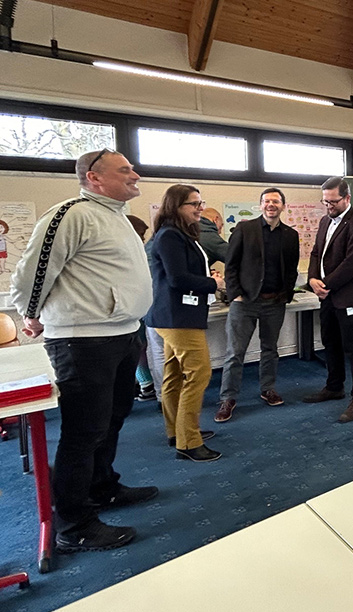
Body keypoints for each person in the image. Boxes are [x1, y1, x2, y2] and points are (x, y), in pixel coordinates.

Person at [11, 148, 157, 552]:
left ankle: (102, 487)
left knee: (111, 420)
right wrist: (31, 314)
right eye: (125, 169)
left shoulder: (116, 216)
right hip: (83, 339)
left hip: (123, 332)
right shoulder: (70, 214)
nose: (135, 175)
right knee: (83, 432)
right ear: (94, 178)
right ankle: (73, 524)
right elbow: (33, 272)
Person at [148, 184, 224, 462]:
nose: (200, 208)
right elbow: (178, 278)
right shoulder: (170, 235)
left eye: (200, 202)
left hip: (175, 316)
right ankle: (188, 442)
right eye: (193, 204)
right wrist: (213, 283)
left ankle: (176, 431)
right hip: (177, 318)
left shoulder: (179, 234)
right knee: (199, 374)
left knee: (174, 375)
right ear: (175, 207)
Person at [215, 188, 300, 423]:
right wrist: (236, 295)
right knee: (235, 352)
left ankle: (268, 389)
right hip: (245, 302)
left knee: (270, 349)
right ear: (260, 205)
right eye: (266, 201)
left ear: (283, 206)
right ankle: (228, 398)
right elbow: (230, 265)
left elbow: (291, 268)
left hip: (275, 301)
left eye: (276, 201)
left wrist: (286, 294)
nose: (271, 204)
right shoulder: (244, 229)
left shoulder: (290, 235)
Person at [304, 177, 353, 423]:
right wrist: (313, 279)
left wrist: (326, 284)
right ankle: (334, 387)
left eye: (333, 202)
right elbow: (316, 253)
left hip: (351, 297)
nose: (329, 206)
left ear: (347, 198)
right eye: (325, 201)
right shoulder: (324, 221)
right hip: (328, 296)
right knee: (330, 341)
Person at [126, 214, 157, 402]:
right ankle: (145, 385)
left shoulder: (139, 253)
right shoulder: (129, 254)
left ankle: (144, 384)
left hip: (139, 307)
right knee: (138, 347)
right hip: (131, 309)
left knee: (140, 347)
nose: (143, 240)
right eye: (141, 235)